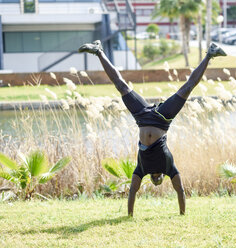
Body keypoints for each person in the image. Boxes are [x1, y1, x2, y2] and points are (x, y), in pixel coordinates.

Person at [78, 40, 226, 216]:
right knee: (187, 88)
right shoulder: (169, 167)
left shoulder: (142, 169)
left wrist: (130, 216)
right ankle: (210, 54)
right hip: (163, 118)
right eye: (159, 181)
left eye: (154, 181)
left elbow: (132, 191)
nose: (156, 180)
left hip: (141, 116)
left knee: (121, 85)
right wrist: (182, 214)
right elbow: (180, 190)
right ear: (163, 177)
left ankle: (98, 51)